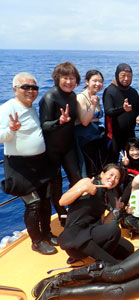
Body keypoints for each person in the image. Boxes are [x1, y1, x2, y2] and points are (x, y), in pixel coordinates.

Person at [0, 72, 57, 255]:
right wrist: (11, 129)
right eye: (26, 87)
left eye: (34, 87)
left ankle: (47, 233)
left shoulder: (32, 107)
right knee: (33, 204)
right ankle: (37, 241)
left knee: (46, 200)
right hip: (19, 166)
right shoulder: (7, 108)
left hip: (40, 163)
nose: (31, 91)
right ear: (15, 89)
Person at [58, 164, 134, 264]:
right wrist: (83, 189)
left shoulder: (106, 195)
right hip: (74, 237)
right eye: (111, 175)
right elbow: (62, 201)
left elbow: (104, 224)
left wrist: (116, 210)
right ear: (102, 174)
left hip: (92, 234)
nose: (113, 179)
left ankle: (100, 257)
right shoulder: (86, 182)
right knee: (113, 229)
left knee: (129, 249)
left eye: (117, 178)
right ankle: (103, 264)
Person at [39, 62, 82, 225]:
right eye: (65, 78)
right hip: (52, 151)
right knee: (55, 186)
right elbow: (44, 125)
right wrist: (59, 121)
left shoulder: (72, 96)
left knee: (76, 178)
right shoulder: (49, 97)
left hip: (68, 147)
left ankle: (76, 210)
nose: (69, 82)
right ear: (57, 79)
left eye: (72, 78)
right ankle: (62, 215)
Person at [102, 63, 139, 163]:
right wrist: (123, 109)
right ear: (117, 75)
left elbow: (138, 110)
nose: (126, 78)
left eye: (129, 76)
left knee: (132, 163)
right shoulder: (110, 91)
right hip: (114, 136)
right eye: (123, 75)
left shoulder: (133, 92)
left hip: (130, 135)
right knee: (112, 164)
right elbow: (109, 111)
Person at [74, 70, 107, 178]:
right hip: (85, 140)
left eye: (100, 81)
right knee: (88, 170)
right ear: (87, 81)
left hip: (95, 138)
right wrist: (93, 106)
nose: (98, 84)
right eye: (95, 81)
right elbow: (84, 121)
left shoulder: (96, 97)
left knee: (98, 169)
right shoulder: (81, 98)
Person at [119, 137, 139, 204]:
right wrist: (125, 166)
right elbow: (122, 180)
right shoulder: (124, 161)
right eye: (132, 150)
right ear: (127, 151)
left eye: (138, 149)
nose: (135, 152)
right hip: (127, 191)